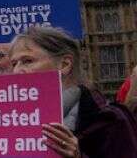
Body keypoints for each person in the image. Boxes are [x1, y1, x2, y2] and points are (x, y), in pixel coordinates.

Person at [10, 25, 137, 157]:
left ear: (64, 64)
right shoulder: (13, 121)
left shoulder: (111, 120)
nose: (17, 71)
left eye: (27, 61)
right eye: (14, 64)